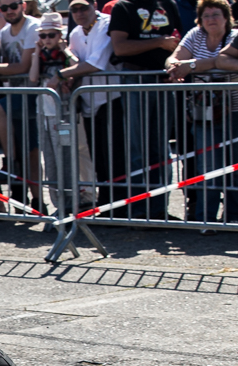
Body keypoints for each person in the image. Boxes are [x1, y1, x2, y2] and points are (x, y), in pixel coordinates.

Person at [109, 0, 182, 218]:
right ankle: (139, 211)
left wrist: (174, 65)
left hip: (163, 81)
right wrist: (159, 42)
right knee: (137, 151)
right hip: (135, 79)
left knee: (161, 151)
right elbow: (121, 47)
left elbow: (180, 41)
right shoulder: (123, 7)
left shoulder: (168, 4)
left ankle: (160, 210)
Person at [49, 0, 122, 213]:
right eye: (74, 9)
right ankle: (105, 205)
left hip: (112, 98)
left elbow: (95, 64)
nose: (79, 13)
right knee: (97, 157)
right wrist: (70, 79)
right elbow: (77, 65)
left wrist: (61, 75)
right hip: (89, 101)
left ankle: (118, 206)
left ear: (94, 5)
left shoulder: (106, 25)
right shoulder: (75, 33)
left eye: (84, 8)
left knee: (114, 156)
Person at [174, 0, 238, 222]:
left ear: (226, 17)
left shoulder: (233, 35)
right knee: (207, 166)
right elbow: (175, 58)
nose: (211, 19)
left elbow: (220, 61)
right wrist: (174, 65)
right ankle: (205, 219)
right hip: (203, 109)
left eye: (216, 14)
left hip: (234, 109)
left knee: (234, 165)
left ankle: (233, 218)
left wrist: (191, 65)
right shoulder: (195, 34)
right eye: (206, 15)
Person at [29, 12, 95, 216]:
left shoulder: (65, 55)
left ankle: (71, 201)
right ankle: (58, 204)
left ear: (60, 36)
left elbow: (76, 65)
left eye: (51, 35)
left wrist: (64, 49)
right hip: (44, 112)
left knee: (66, 158)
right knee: (49, 159)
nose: (47, 39)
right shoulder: (40, 56)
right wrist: (35, 53)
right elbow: (32, 78)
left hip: (64, 112)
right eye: (43, 35)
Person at [0, 0, 41, 209]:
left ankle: (9, 162)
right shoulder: (5, 32)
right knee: (30, 152)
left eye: (13, 5)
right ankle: (35, 202)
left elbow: (23, 66)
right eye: (4, 8)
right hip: (15, 96)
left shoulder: (33, 26)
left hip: (34, 94)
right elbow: (7, 67)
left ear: (23, 5)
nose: (9, 11)